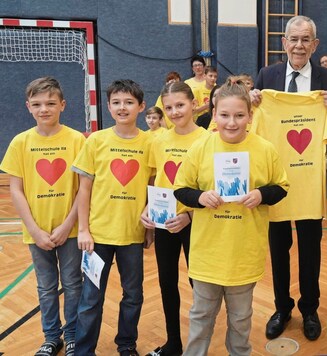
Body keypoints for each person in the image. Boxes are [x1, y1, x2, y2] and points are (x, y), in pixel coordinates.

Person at [250, 15, 327, 341]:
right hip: (276, 182)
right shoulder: (267, 75)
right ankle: (282, 307)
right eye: (293, 39)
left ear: (315, 44)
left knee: (310, 248)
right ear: (284, 42)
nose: (299, 45)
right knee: (278, 248)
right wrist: (252, 104)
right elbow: (254, 124)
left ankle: (310, 308)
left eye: (306, 39)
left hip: (310, 181)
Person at [173, 80, 289, 355]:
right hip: (207, 254)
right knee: (201, 317)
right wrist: (200, 198)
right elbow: (181, 188)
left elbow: (281, 188)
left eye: (239, 115)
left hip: (244, 253)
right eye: (224, 115)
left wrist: (261, 194)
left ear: (250, 116)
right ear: (214, 114)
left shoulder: (265, 148)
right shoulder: (200, 147)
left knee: (240, 320)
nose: (232, 122)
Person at [0, 77, 85, 356]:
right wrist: (34, 230)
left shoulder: (76, 140)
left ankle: (72, 335)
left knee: (73, 284)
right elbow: (16, 190)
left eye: (50, 103)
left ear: (63, 104)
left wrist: (68, 224)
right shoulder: (20, 142)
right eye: (37, 104)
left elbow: (84, 190)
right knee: (46, 287)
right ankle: (51, 337)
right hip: (36, 231)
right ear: (28, 107)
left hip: (69, 229)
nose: (44, 109)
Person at [73, 80, 154, 356]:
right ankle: (84, 350)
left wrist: (149, 228)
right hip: (97, 237)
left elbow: (152, 185)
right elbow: (83, 189)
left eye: (129, 102)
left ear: (141, 107)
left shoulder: (149, 142)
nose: (123, 107)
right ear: (108, 106)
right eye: (117, 102)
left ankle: (126, 344)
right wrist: (83, 230)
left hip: (131, 235)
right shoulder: (96, 141)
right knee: (91, 297)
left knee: (133, 296)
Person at [142, 82, 209, 356]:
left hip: (198, 224)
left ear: (194, 104)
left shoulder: (208, 139)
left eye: (180, 105)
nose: (174, 111)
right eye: (168, 107)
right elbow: (154, 177)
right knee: (167, 282)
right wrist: (148, 208)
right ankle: (173, 343)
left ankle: (199, 344)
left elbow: (212, 187)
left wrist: (190, 215)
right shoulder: (157, 139)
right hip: (165, 222)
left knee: (200, 285)